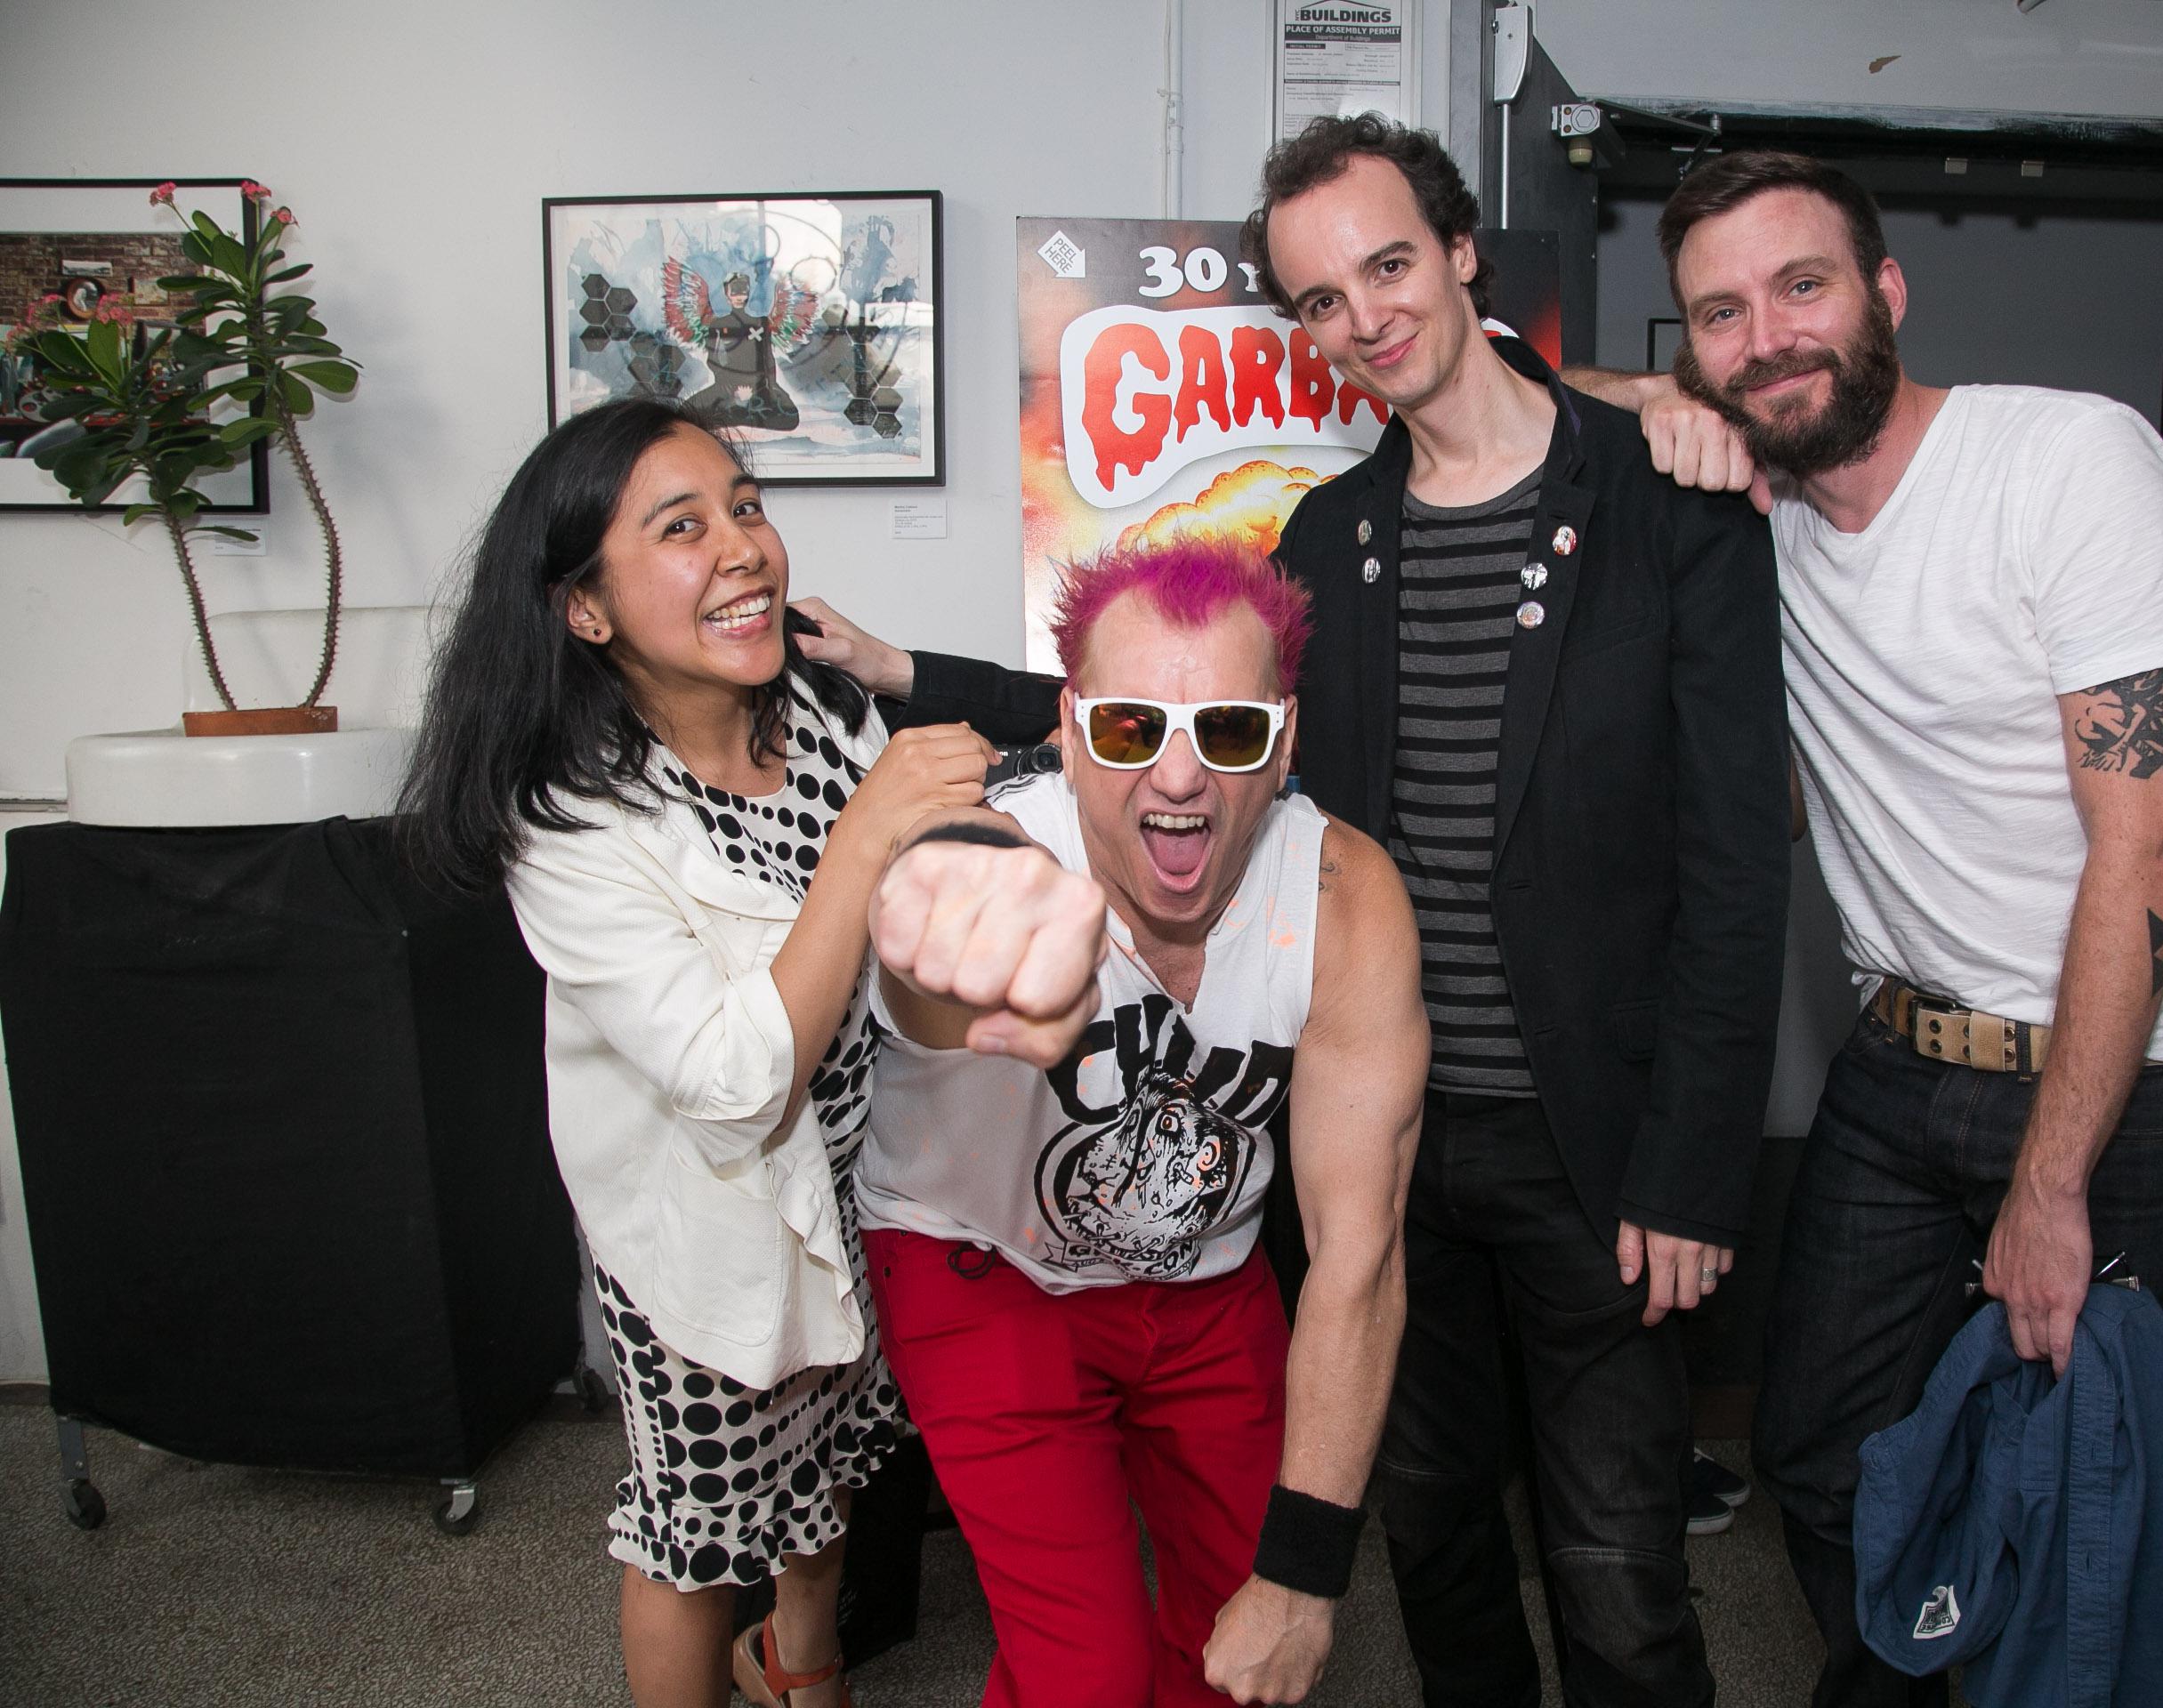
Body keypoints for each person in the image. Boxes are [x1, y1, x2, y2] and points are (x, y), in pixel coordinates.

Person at [1566, 150, 2163, 1707]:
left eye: (1801, 288)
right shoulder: (1760, 513)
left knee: (2073, 1491)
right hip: (1898, 1057)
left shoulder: (2068, 466)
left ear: (1884, 292)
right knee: (1823, 1456)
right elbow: (1532, 393)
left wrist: (2051, 1185)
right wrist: (1651, 402)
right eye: (1720, 317)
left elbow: (2140, 845)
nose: (1768, 340)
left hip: (2124, 1076)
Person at [1242, 116, 1794, 1707]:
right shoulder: (1324, 543)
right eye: (1321, 301)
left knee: (1622, 1575)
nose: (1363, 319)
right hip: (1390, 1145)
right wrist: (922, 684)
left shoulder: (1668, 500)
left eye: (1390, 265)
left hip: (1602, 1154)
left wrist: (1695, 1172)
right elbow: (1192, 735)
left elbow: (1737, 869)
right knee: (1431, 1536)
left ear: (1466, 252)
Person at [397, 398, 1055, 1708]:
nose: (742, 547)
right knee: (699, 1528)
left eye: (745, 507)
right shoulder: (573, 817)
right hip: (698, 1224)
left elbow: (909, 914)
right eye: (681, 529)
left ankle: (801, 1669)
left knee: (831, 1457)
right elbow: (733, 1080)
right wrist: (867, 839)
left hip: (865, 1171)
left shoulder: (813, 715)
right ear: (584, 608)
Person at [851, 537, 1432, 1708]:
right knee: (1089, 1680)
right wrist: (951, 922)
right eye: (1128, 731)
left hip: (1203, 1282)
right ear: (1068, 731)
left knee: (1246, 1643)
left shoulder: (1345, 900)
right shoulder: (1010, 854)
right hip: (985, 1271)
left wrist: (1308, 1576)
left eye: (1226, 731)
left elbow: (1358, 1255)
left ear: (1284, 741)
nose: (1177, 778)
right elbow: (939, 927)